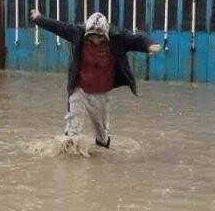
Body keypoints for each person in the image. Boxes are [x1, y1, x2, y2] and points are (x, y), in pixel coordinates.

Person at [30, 9, 160, 148]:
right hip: (79, 88)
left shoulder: (118, 37)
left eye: (100, 37)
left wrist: (149, 45)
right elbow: (58, 26)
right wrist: (38, 18)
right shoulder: (78, 32)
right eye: (92, 37)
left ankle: (102, 151)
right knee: (73, 129)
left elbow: (137, 39)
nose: (96, 41)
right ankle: (69, 154)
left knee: (102, 137)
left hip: (100, 92)